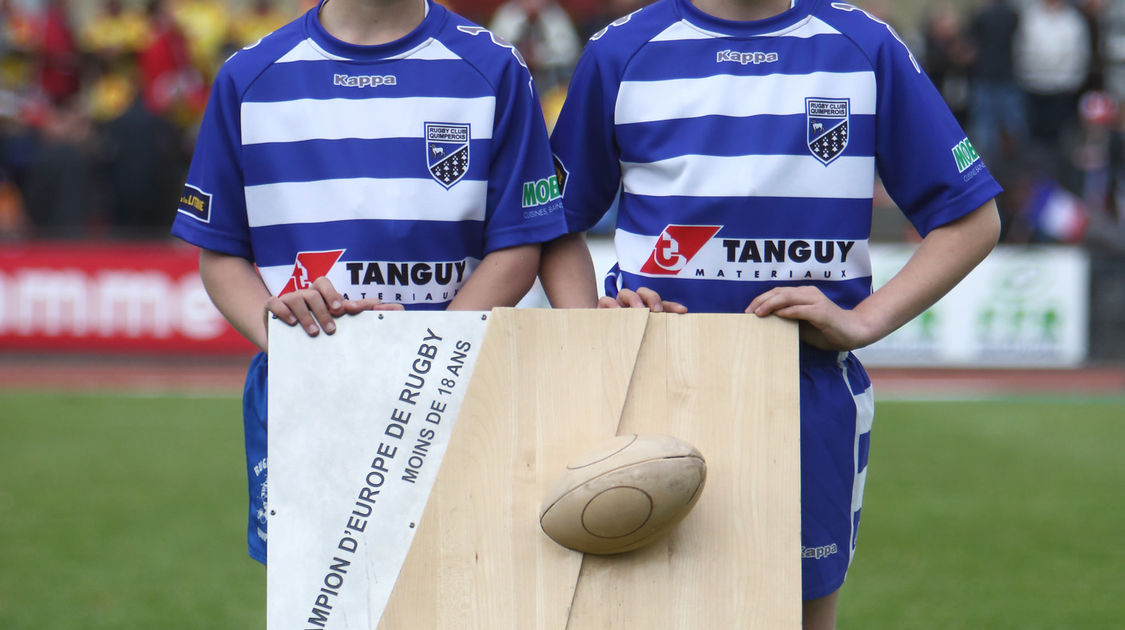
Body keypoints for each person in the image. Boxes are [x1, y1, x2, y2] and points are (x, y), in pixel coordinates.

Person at [537, 1, 1002, 628]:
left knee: (796, 617)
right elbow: (550, 218)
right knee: (633, 613)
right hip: (647, 384)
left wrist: (864, 322)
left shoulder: (863, 46)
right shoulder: (623, 49)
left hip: (802, 388)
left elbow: (972, 218)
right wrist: (591, 325)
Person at [170, 0, 567, 565]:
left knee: (464, 586)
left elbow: (520, 243)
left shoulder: (493, 66)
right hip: (306, 394)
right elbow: (220, 252)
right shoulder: (249, 76)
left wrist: (426, 354)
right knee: (321, 599)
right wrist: (280, 330)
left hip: (451, 391)